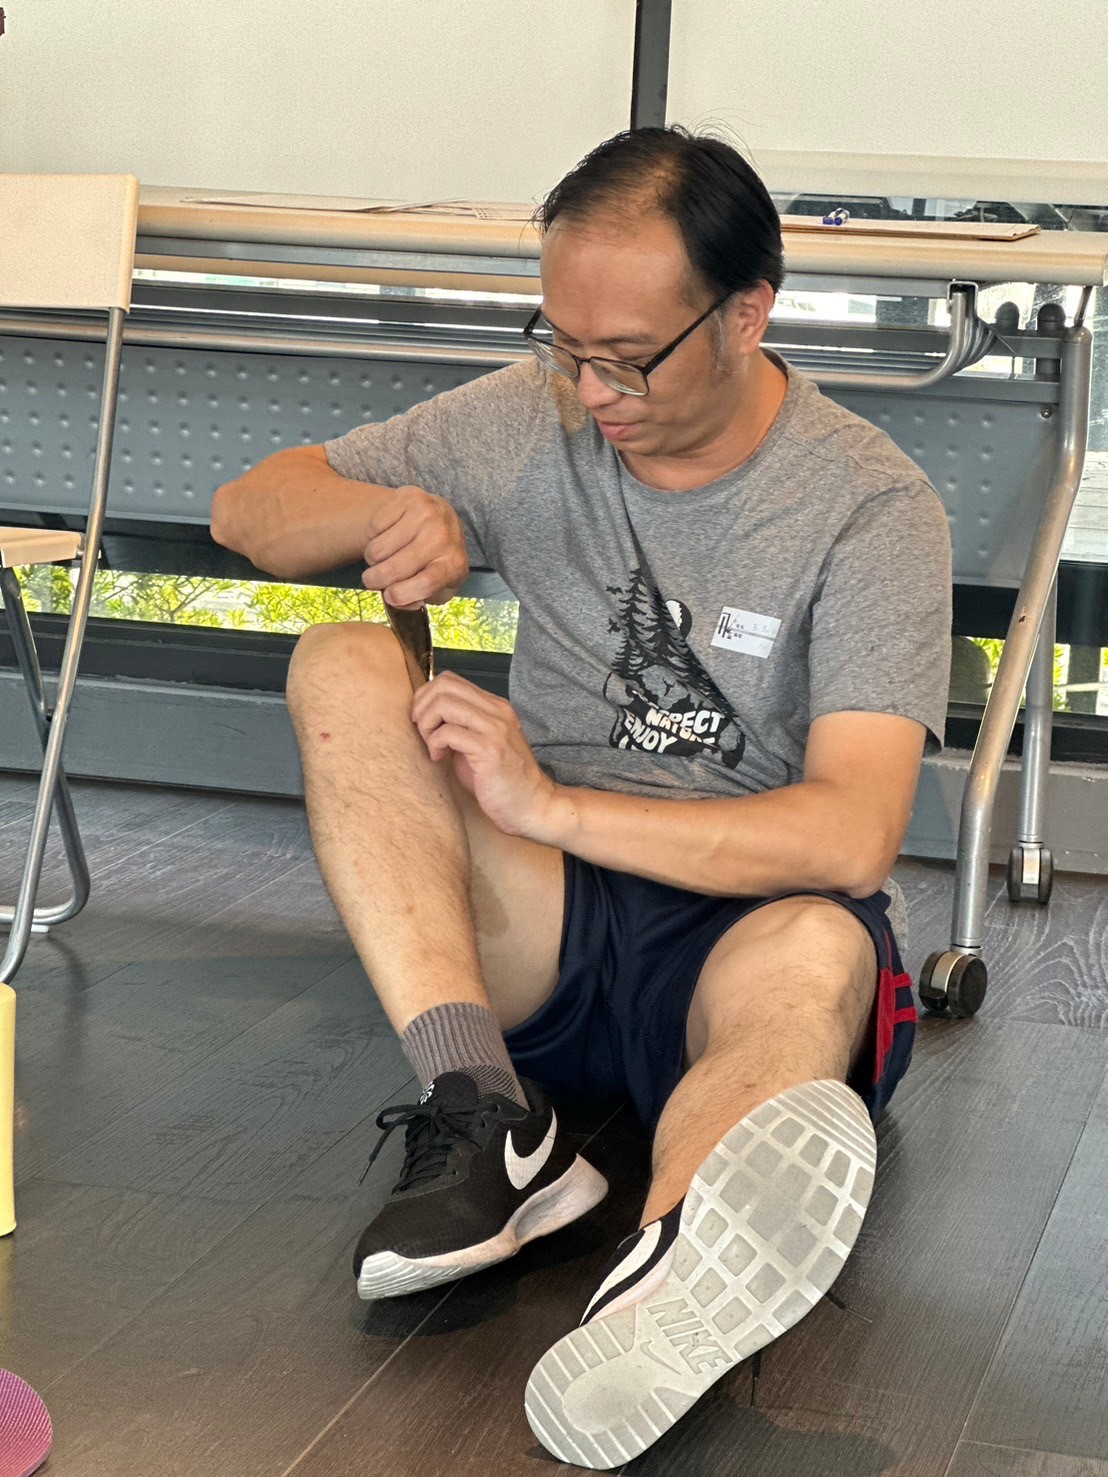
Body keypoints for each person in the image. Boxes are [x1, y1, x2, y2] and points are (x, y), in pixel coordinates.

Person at [210, 126, 952, 1468]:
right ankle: (493, 1119)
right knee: (340, 660)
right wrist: (383, 519)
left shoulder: (869, 506)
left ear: (748, 312)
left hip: (741, 921)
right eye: (563, 344)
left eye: (628, 357)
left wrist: (553, 806)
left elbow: (852, 832)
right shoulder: (530, 411)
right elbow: (249, 509)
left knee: (814, 957)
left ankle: (669, 1268)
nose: (592, 388)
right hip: (545, 916)